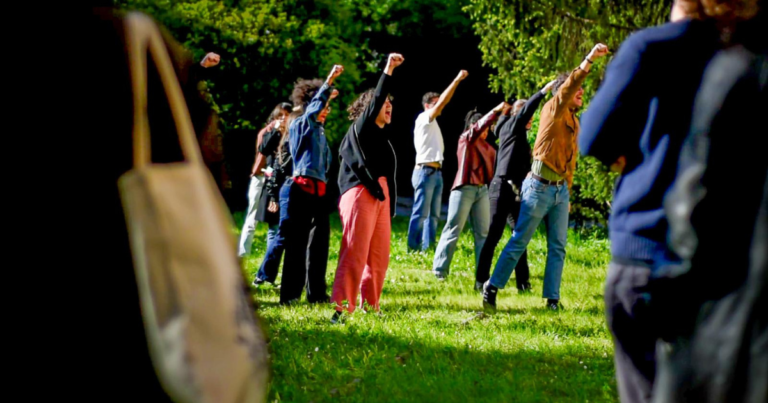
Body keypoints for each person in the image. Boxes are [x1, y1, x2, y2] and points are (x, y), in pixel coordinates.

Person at [483, 43, 610, 311]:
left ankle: (552, 300)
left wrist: (569, 192)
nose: (582, 93)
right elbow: (571, 84)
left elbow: (571, 162)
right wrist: (589, 59)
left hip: (559, 191)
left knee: (558, 247)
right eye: (578, 90)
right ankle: (492, 287)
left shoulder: (574, 121)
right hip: (537, 188)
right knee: (520, 240)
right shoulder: (553, 109)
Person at [331, 53, 405, 323]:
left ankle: (370, 306)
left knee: (378, 255)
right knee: (355, 252)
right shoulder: (362, 128)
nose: (389, 106)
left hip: (379, 196)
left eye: (390, 104)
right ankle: (341, 309)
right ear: (370, 108)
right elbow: (377, 97)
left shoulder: (383, 138)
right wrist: (389, 69)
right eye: (385, 103)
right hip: (361, 191)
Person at [475, 80, 557, 291]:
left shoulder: (512, 131)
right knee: (494, 234)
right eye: (526, 116)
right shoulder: (512, 126)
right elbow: (523, 111)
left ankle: (523, 283)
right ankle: (480, 280)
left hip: (515, 190)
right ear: (517, 115)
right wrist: (543, 92)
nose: (530, 119)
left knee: (519, 235)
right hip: (501, 187)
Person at [278, 65, 343, 305]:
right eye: (323, 106)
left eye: (328, 108)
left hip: (320, 193)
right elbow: (315, 107)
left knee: (319, 246)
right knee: (296, 245)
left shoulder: (320, 131)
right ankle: (290, 296)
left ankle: (316, 294)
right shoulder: (301, 124)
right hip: (300, 192)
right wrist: (329, 82)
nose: (326, 111)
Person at [432, 102, 508, 279]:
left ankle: (481, 277)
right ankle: (439, 271)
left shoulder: (490, 149)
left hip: (482, 191)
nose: (486, 131)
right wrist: (495, 110)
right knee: (453, 228)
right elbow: (478, 128)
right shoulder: (466, 139)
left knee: (483, 233)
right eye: (484, 126)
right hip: (463, 188)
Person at [407, 70, 468, 251]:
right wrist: (456, 80)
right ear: (427, 106)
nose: (439, 107)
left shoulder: (432, 124)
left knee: (433, 215)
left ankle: (428, 247)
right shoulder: (424, 118)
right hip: (424, 171)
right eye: (434, 104)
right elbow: (442, 102)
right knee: (421, 213)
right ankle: (413, 248)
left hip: (435, 172)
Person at [238, 103, 291, 258]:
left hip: (276, 180)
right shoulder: (267, 132)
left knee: (274, 220)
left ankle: (269, 256)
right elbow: (263, 149)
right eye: (280, 115)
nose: (283, 119)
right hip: (260, 176)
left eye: (286, 115)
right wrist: (275, 130)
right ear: (274, 117)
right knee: (252, 215)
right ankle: (243, 252)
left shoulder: (289, 133)